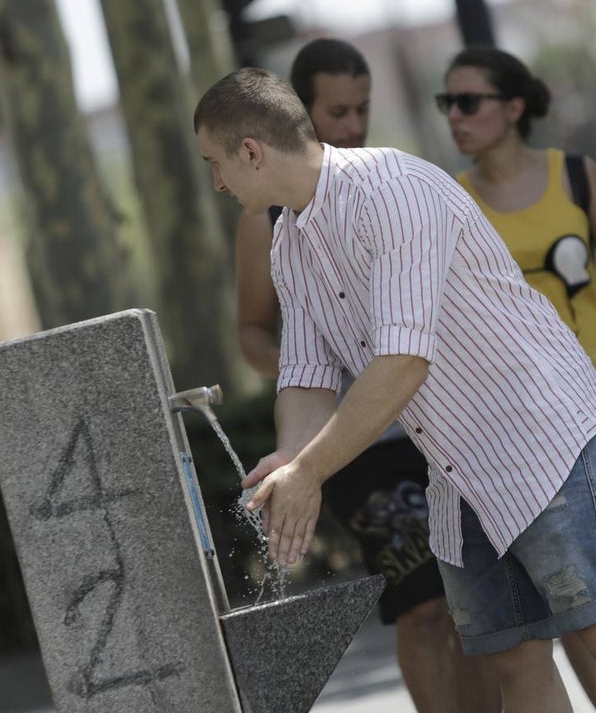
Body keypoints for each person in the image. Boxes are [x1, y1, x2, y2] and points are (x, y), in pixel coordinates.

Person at [195, 67, 596, 712]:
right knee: (514, 661)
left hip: (544, 438)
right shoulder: (287, 241)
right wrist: (290, 462)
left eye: (216, 163)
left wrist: (311, 470)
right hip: (458, 470)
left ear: (252, 152)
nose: (216, 182)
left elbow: (403, 364)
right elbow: (306, 375)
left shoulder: (393, 188)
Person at [233, 39, 498, 713]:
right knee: (424, 608)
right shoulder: (266, 220)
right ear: (299, 114)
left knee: (485, 610)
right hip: (354, 447)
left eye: (362, 109)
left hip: (435, 427)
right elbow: (255, 334)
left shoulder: (388, 185)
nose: (353, 125)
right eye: (337, 111)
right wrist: (317, 362)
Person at [437, 47, 596, 710]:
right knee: (574, 585)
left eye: (468, 101)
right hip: (526, 406)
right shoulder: (452, 197)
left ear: (514, 106)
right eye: (447, 104)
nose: (455, 117)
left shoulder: (576, 174)